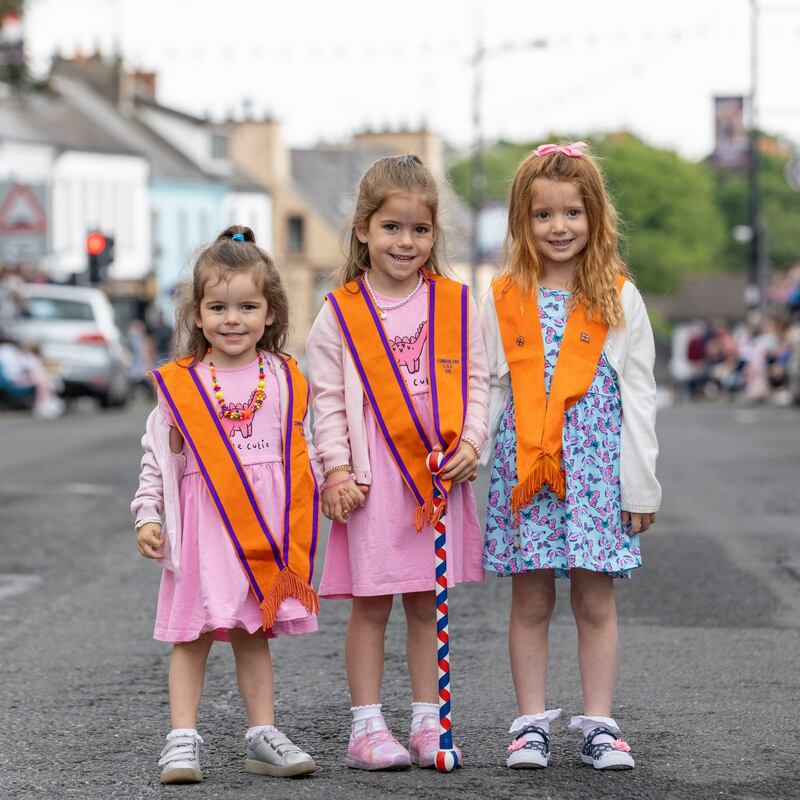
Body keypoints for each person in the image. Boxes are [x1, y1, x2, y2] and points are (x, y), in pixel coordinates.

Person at [481, 142, 661, 771]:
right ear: (521, 222)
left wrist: (641, 485)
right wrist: (469, 456)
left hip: (595, 475)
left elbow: (638, 396)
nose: (559, 228)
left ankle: (599, 723)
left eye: (572, 214)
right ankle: (530, 724)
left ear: (595, 218)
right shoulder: (503, 296)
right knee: (530, 602)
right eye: (543, 216)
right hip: (526, 471)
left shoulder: (619, 297)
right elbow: (486, 386)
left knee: (595, 601)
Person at [307, 154, 489, 770]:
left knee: (424, 602)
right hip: (371, 479)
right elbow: (325, 399)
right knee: (371, 602)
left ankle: (425, 721)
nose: (405, 242)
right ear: (363, 230)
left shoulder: (456, 303)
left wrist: (471, 442)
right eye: (391, 228)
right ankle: (365, 728)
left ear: (435, 235)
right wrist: (334, 469)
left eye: (419, 230)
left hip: (434, 474)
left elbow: (479, 380)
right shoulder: (339, 311)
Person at [131, 226, 321, 784]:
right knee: (190, 638)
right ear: (197, 314)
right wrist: (148, 515)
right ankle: (182, 739)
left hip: (259, 535)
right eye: (218, 306)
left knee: (251, 634)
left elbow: (307, 446)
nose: (232, 319)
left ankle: (262, 735)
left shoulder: (285, 377)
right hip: (200, 535)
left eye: (246, 306)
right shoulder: (180, 386)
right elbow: (154, 459)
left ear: (270, 312)